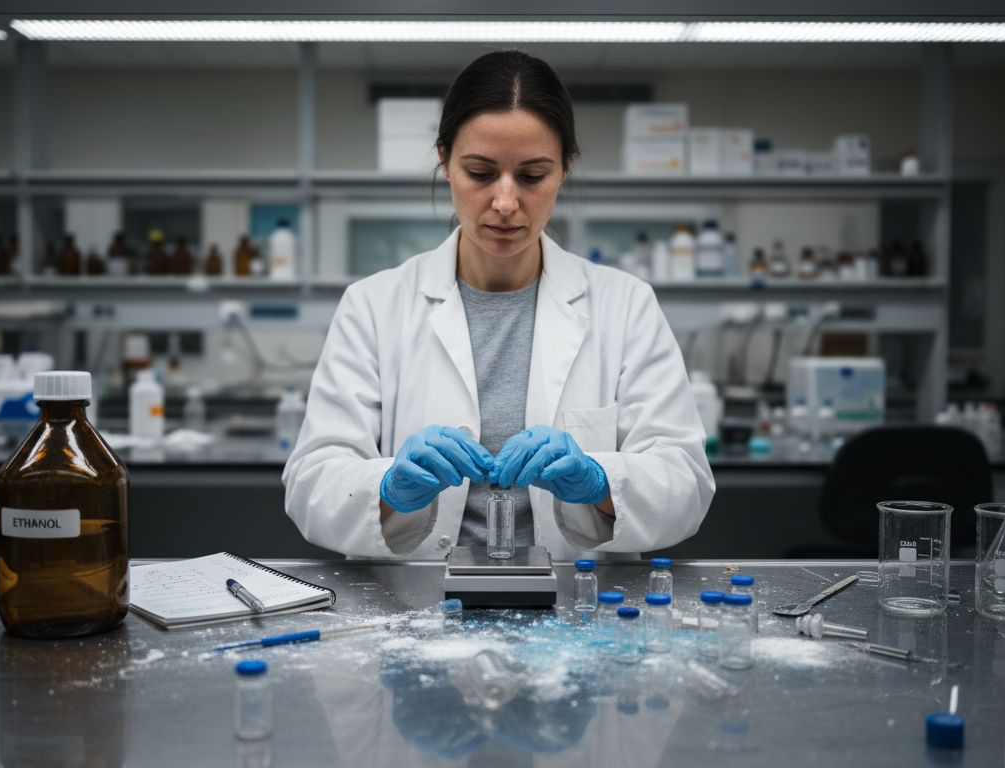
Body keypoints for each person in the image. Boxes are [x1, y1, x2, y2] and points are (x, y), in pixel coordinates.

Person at [283, 50, 714, 560]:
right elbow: (311, 484)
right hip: (414, 601)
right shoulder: (373, 306)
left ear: (565, 167)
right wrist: (387, 487)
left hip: (582, 607)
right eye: (481, 172)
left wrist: (599, 481)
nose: (506, 203)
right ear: (444, 161)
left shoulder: (625, 305)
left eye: (532, 176)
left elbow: (684, 481)